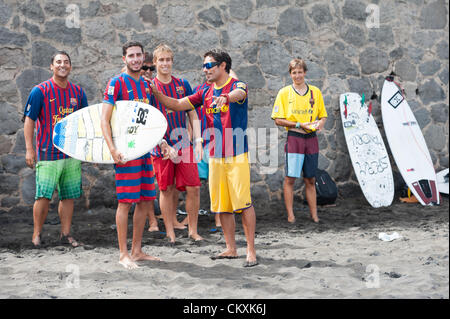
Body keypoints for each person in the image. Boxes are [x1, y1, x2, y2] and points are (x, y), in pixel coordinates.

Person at [149, 49, 258, 267]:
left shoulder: (237, 85)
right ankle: (231, 248)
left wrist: (225, 97)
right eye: (203, 65)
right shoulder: (204, 91)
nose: (204, 69)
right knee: (222, 205)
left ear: (223, 66)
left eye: (209, 65)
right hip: (215, 154)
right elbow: (179, 104)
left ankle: (251, 251)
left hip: (236, 154)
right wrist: (157, 94)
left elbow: (239, 94)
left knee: (244, 203)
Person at [101, 41, 173, 269]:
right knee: (125, 203)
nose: (135, 59)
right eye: (131, 55)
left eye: (139, 55)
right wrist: (112, 149)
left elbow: (148, 121)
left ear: (144, 58)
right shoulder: (116, 83)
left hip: (144, 151)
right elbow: (104, 119)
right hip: (125, 152)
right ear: (124, 59)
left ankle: (137, 250)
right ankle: (123, 254)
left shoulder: (146, 85)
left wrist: (160, 141)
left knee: (144, 201)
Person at [23, 51, 88, 248]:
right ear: (51, 66)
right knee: (43, 195)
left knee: (68, 196)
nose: (62, 65)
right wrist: (29, 149)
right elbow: (29, 121)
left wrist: (85, 148)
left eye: (66, 62)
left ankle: (65, 234)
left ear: (70, 66)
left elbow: (85, 122)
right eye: (58, 62)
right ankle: (36, 235)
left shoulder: (78, 92)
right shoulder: (39, 91)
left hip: (71, 153)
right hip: (47, 152)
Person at [150, 44, 203, 243]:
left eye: (168, 59)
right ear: (155, 62)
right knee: (166, 189)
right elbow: (147, 120)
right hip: (160, 145)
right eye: (161, 60)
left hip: (183, 144)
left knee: (194, 187)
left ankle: (193, 231)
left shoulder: (182, 84)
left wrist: (197, 140)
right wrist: (163, 143)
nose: (165, 63)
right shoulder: (150, 88)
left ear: (172, 61)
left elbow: (192, 113)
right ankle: (170, 232)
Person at [271, 58, 328, 224]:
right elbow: (278, 119)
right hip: (295, 137)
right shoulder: (284, 93)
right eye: (294, 72)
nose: (297, 75)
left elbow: (323, 115)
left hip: (311, 138)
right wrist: (298, 123)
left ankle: (314, 215)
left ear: (305, 72)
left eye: (300, 72)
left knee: (310, 178)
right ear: (290, 74)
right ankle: (290, 215)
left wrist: (320, 124)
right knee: (290, 178)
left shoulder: (315, 92)